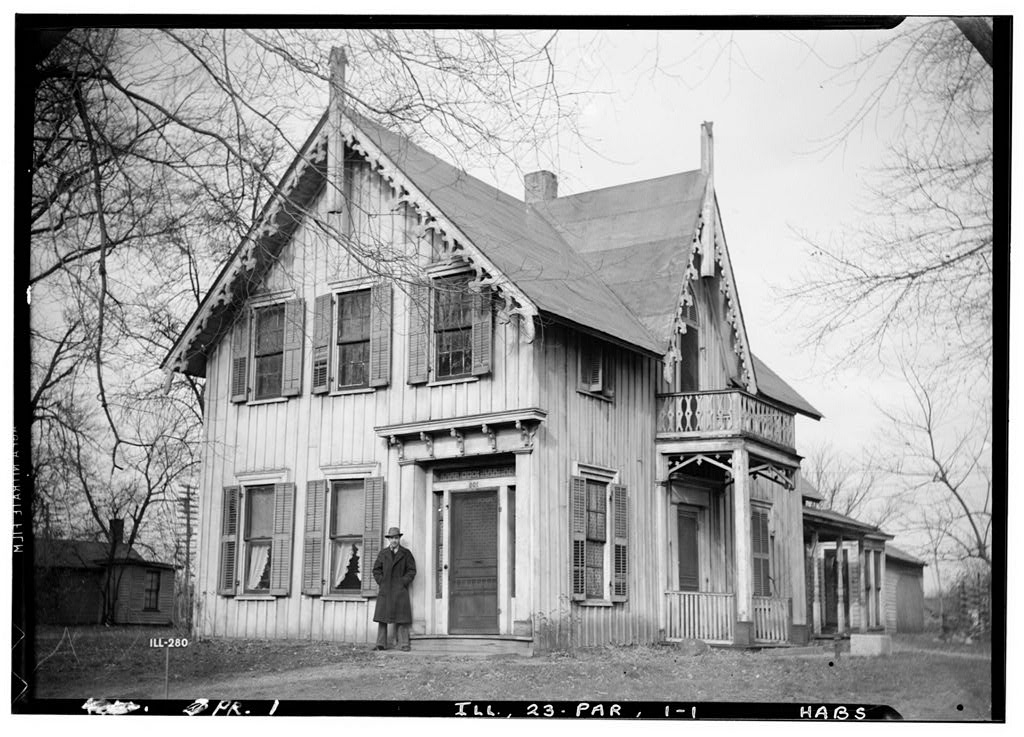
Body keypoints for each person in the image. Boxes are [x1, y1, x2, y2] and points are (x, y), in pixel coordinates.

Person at [372, 526, 416, 651]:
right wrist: (382, 582)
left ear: (399, 538)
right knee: (382, 618)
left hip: (399, 590)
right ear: (389, 539)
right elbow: (376, 570)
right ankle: (381, 644)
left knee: (401, 618)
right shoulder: (383, 554)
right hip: (386, 590)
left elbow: (412, 571)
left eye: (396, 538)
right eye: (391, 538)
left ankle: (404, 644)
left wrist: (403, 582)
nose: (394, 541)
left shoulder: (406, 553)